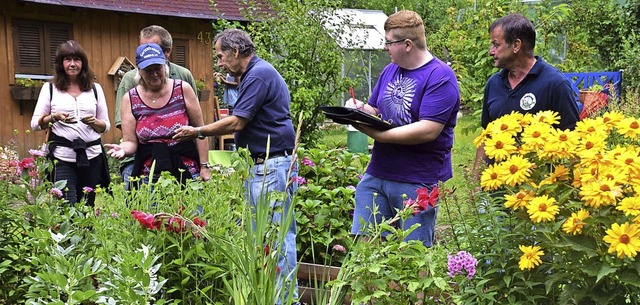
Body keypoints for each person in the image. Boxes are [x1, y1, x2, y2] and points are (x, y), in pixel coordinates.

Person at [172, 29, 299, 305]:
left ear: (237, 51)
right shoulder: (252, 74)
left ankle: (286, 300)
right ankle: (273, 297)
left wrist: (198, 131)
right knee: (263, 237)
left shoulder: (259, 74)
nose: (218, 62)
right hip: (263, 165)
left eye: (220, 55)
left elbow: (237, 121)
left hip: (272, 165)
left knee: (277, 236)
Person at [347, 10, 461, 247]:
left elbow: (428, 130)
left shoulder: (440, 77)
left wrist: (381, 136)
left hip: (417, 180)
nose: (386, 48)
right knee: (366, 247)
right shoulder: (391, 69)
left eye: (389, 42)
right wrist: (358, 109)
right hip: (378, 172)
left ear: (407, 44)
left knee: (413, 254)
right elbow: (375, 108)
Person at [472, 13, 580, 178]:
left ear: (516, 45)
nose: (490, 51)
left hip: (539, 191)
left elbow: (573, 140)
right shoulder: (493, 83)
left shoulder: (555, 84)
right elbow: (486, 137)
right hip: (497, 190)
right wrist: (475, 186)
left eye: (495, 44)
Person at [105, 43, 210, 185]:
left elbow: (200, 131)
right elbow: (130, 142)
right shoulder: (130, 99)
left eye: (157, 68)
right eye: (148, 70)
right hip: (149, 176)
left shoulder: (182, 89)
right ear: (139, 71)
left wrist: (204, 167)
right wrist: (122, 149)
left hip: (187, 170)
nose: (154, 74)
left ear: (165, 66)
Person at [31, 40, 111, 206]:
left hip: (92, 156)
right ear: (61, 63)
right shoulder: (50, 88)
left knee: (87, 207)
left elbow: (106, 125)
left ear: (83, 63)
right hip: (62, 157)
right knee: (67, 205)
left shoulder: (95, 89)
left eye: (77, 60)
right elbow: (35, 124)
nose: (72, 64)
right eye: (68, 60)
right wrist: (54, 117)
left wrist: (94, 122)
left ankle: (85, 233)